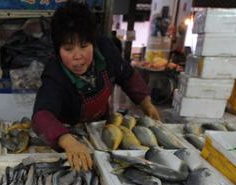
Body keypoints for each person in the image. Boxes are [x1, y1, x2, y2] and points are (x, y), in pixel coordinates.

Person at [32, 1, 160, 171]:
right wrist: (68, 141)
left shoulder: (106, 50)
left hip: (101, 128)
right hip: (66, 133)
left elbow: (127, 75)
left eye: (84, 46)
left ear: (93, 43)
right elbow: (42, 115)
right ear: (58, 50)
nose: (78, 56)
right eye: (68, 49)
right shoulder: (54, 74)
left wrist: (146, 102)